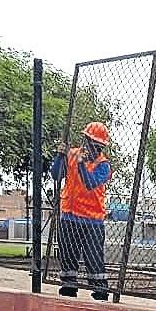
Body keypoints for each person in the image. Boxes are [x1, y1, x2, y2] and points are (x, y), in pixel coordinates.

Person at [50, 122, 113, 301]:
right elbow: (56, 175)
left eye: (97, 146)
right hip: (69, 215)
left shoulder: (104, 165)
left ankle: (100, 289)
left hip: (92, 219)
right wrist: (60, 156)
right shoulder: (72, 154)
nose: (93, 148)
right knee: (68, 253)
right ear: (85, 141)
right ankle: (69, 286)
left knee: (93, 256)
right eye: (90, 143)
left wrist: (81, 165)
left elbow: (90, 183)